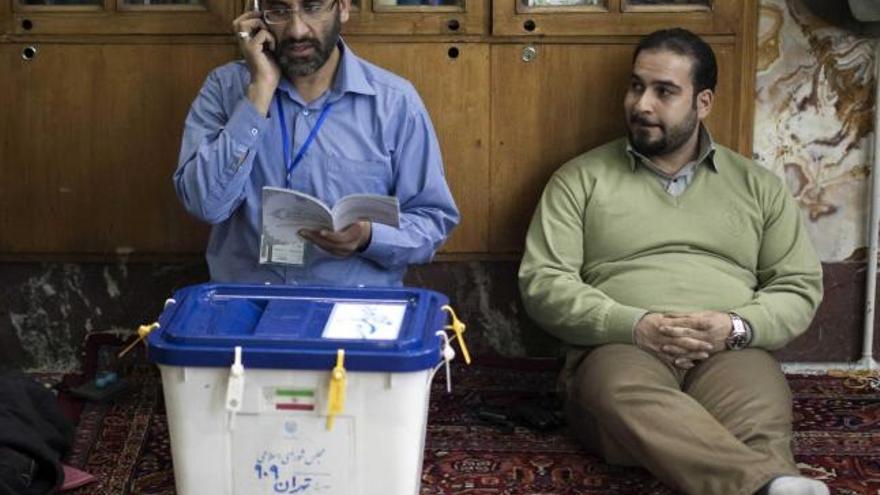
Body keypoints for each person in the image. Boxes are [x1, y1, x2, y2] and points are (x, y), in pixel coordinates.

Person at [518, 28, 827, 495]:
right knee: (617, 397)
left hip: (728, 348)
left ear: (703, 103)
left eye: (664, 91)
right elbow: (544, 282)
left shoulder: (757, 186)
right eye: (636, 86)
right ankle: (767, 486)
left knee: (761, 413)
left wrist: (736, 326)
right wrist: (636, 324)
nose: (642, 104)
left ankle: (761, 483)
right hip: (621, 347)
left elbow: (798, 286)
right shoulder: (580, 179)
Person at [174, 0, 459, 286]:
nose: (297, 31)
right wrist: (259, 92)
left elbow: (432, 221)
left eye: (313, 7)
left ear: (344, 7)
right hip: (247, 305)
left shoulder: (395, 103)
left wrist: (369, 238)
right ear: (259, 16)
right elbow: (206, 205)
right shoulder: (225, 89)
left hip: (355, 312)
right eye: (280, 11)